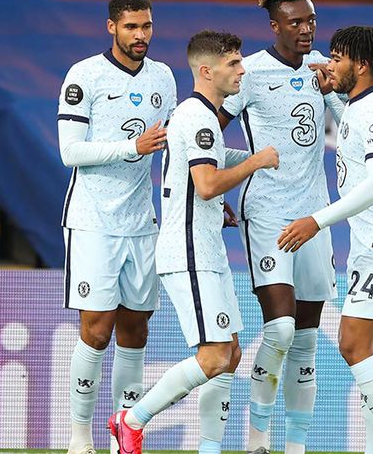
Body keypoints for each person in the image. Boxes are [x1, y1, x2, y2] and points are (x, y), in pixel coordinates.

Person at [217, 0, 373, 454]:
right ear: (275, 26)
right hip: (270, 216)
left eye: (311, 20)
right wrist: (214, 186)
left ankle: (298, 446)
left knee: (310, 340)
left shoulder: (324, 73)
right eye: (295, 22)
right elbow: (208, 128)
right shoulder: (249, 73)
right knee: (282, 330)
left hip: (320, 218)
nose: (307, 30)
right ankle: (257, 440)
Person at [108, 30, 279, 454]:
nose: (242, 70)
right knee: (215, 355)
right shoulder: (199, 117)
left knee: (230, 353)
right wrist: (257, 161)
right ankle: (131, 419)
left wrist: (244, 167)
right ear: (206, 71)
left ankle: (208, 448)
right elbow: (206, 184)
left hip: (206, 249)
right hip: (189, 252)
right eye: (233, 63)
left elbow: (206, 172)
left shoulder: (199, 114)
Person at [278, 25, 373, 454]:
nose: (330, 64)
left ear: (361, 65)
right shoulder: (361, 104)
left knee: (352, 343)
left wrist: (317, 221)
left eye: (338, 58)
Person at [57, 0, 176, 454]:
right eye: (131, 27)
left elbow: (174, 149)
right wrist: (132, 147)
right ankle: (79, 437)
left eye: (146, 26)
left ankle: (123, 439)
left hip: (141, 222)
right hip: (93, 221)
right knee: (96, 330)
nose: (140, 35)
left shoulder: (163, 77)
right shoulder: (84, 75)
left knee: (135, 331)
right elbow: (70, 151)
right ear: (112, 27)